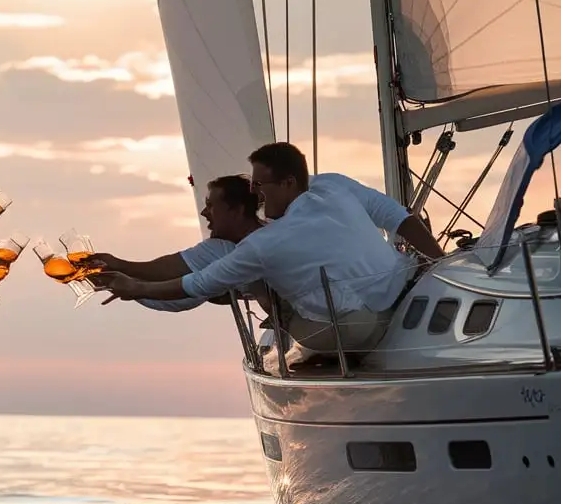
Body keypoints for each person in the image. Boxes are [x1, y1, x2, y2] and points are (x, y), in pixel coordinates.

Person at [101, 142, 444, 356]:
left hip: (357, 330)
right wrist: (440, 260)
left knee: (276, 306)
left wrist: (137, 289)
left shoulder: (264, 245)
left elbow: (200, 284)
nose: (254, 192)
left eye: (258, 184)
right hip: (404, 294)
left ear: (288, 183)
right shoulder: (334, 185)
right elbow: (397, 216)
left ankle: (286, 318)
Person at [84, 174, 262, 312]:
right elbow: (187, 295)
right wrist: (120, 279)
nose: (203, 212)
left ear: (237, 210)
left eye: (211, 205)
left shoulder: (224, 249)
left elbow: (167, 274)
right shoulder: (234, 245)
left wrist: (120, 269)